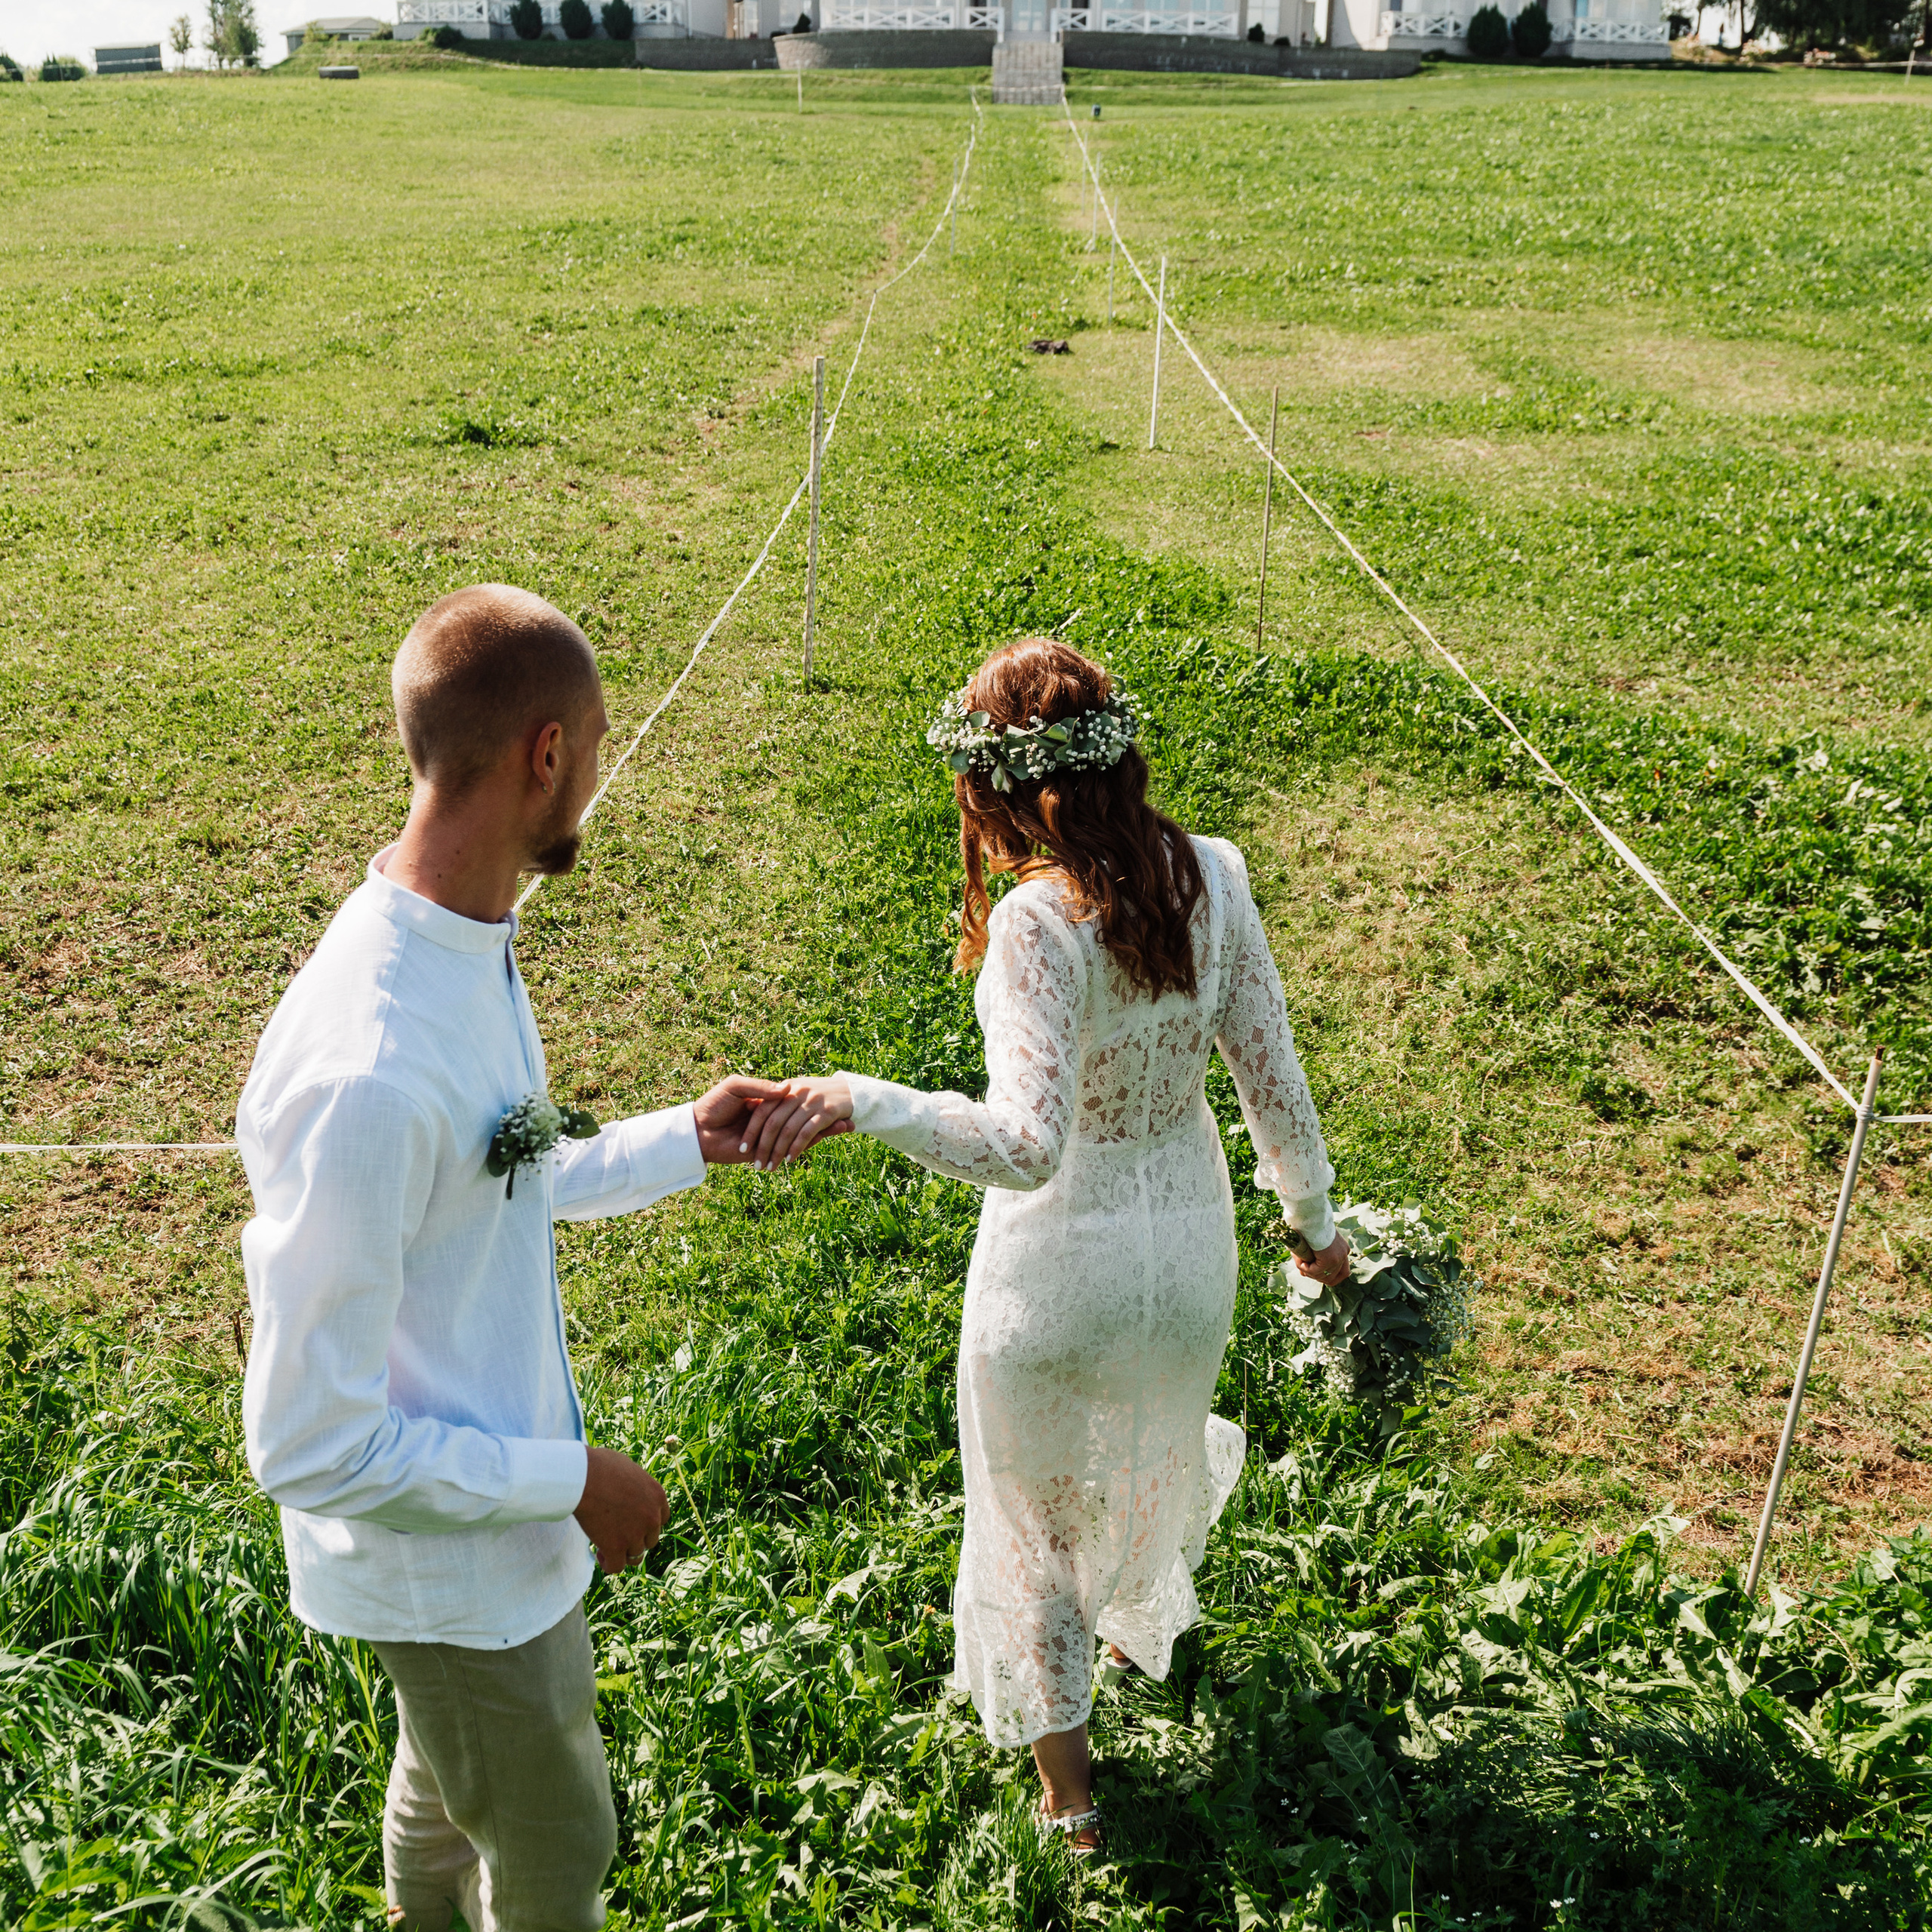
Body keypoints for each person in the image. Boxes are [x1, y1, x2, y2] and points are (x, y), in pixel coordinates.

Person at [237, 584, 793, 1932]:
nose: (598, 778)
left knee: (444, 1804)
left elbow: (496, 1181)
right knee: (557, 1856)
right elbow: (304, 1444)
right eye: (596, 749)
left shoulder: (465, 943)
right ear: (548, 755)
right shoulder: (370, 1067)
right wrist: (570, 1482)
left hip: (486, 1538)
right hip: (459, 1567)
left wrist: (683, 1141)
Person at [741, 638, 1350, 1855]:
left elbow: (1025, 1146)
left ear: (999, 788)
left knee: (1037, 1526)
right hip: (1186, 1254)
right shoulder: (1216, 876)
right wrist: (1315, 1232)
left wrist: (869, 1099)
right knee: (1145, 1450)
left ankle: (1072, 1807)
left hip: (1060, 1269)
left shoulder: (1037, 922)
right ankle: (1127, 1638)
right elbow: (1273, 1082)